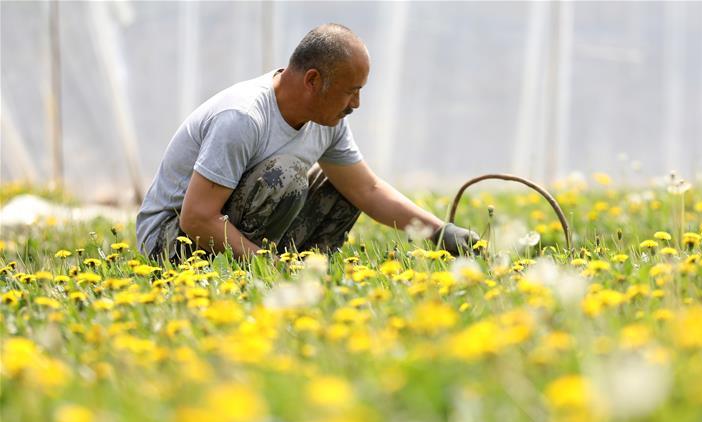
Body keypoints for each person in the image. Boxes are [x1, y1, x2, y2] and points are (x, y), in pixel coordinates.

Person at [136, 23, 478, 260]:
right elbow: (195, 218)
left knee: (340, 186)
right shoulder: (242, 118)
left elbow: (367, 190)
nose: (356, 105)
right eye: (351, 92)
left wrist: (440, 233)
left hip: (230, 231)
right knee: (285, 175)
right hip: (171, 243)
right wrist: (266, 265)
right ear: (313, 80)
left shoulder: (328, 121)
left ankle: (303, 274)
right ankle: (260, 270)